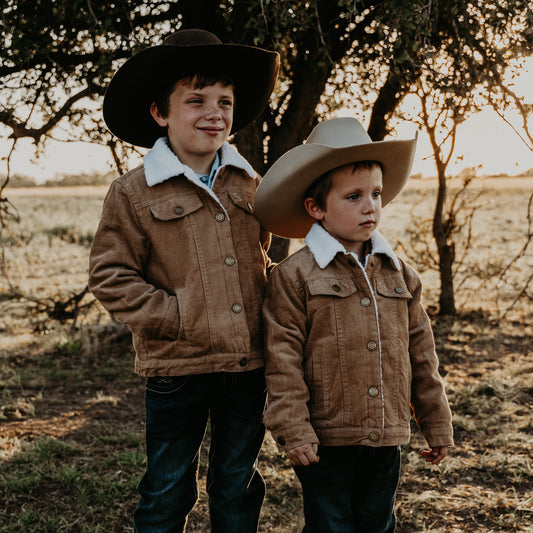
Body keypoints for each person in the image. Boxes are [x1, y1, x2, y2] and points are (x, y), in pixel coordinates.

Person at [88, 28, 279, 533]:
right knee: (168, 487)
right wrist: (177, 315)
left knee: (236, 483)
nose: (213, 112)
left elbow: (258, 259)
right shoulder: (132, 192)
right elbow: (110, 275)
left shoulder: (249, 182)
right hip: (177, 368)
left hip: (247, 364)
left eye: (225, 101)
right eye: (195, 100)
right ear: (160, 112)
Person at [254, 117, 454, 533]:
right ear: (316, 208)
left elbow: (422, 355)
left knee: (377, 523)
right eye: (354, 196)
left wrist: (435, 422)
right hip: (326, 439)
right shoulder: (294, 277)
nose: (370, 206)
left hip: (386, 435)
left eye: (377, 194)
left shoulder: (401, 275)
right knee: (332, 525)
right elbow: (282, 358)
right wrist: (294, 428)